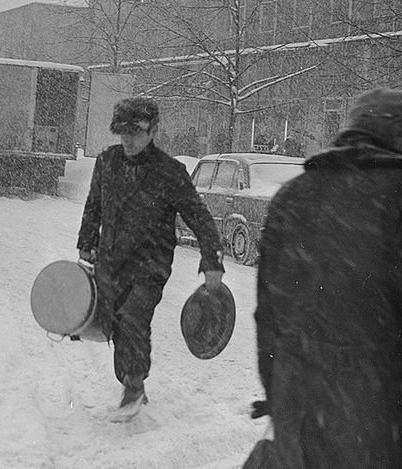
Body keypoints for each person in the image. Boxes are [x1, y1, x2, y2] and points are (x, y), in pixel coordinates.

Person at [251, 87, 402, 468]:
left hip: (297, 405)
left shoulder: (292, 195)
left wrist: (280, 392)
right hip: (375, 417)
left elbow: (267, 316)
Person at [76, 97, 225, 422]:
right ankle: (129, 377)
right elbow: (93, 206)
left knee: (133, 318)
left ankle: (134, 385)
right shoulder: (107, 162)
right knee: (115, 323)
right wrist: (86, 243)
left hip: (150, 266)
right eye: (122, 133)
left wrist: (212, 260)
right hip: (110, 261)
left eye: (136, 132)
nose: (128, 140)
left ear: (153, 131)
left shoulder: (170, 172)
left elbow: (198, 216)